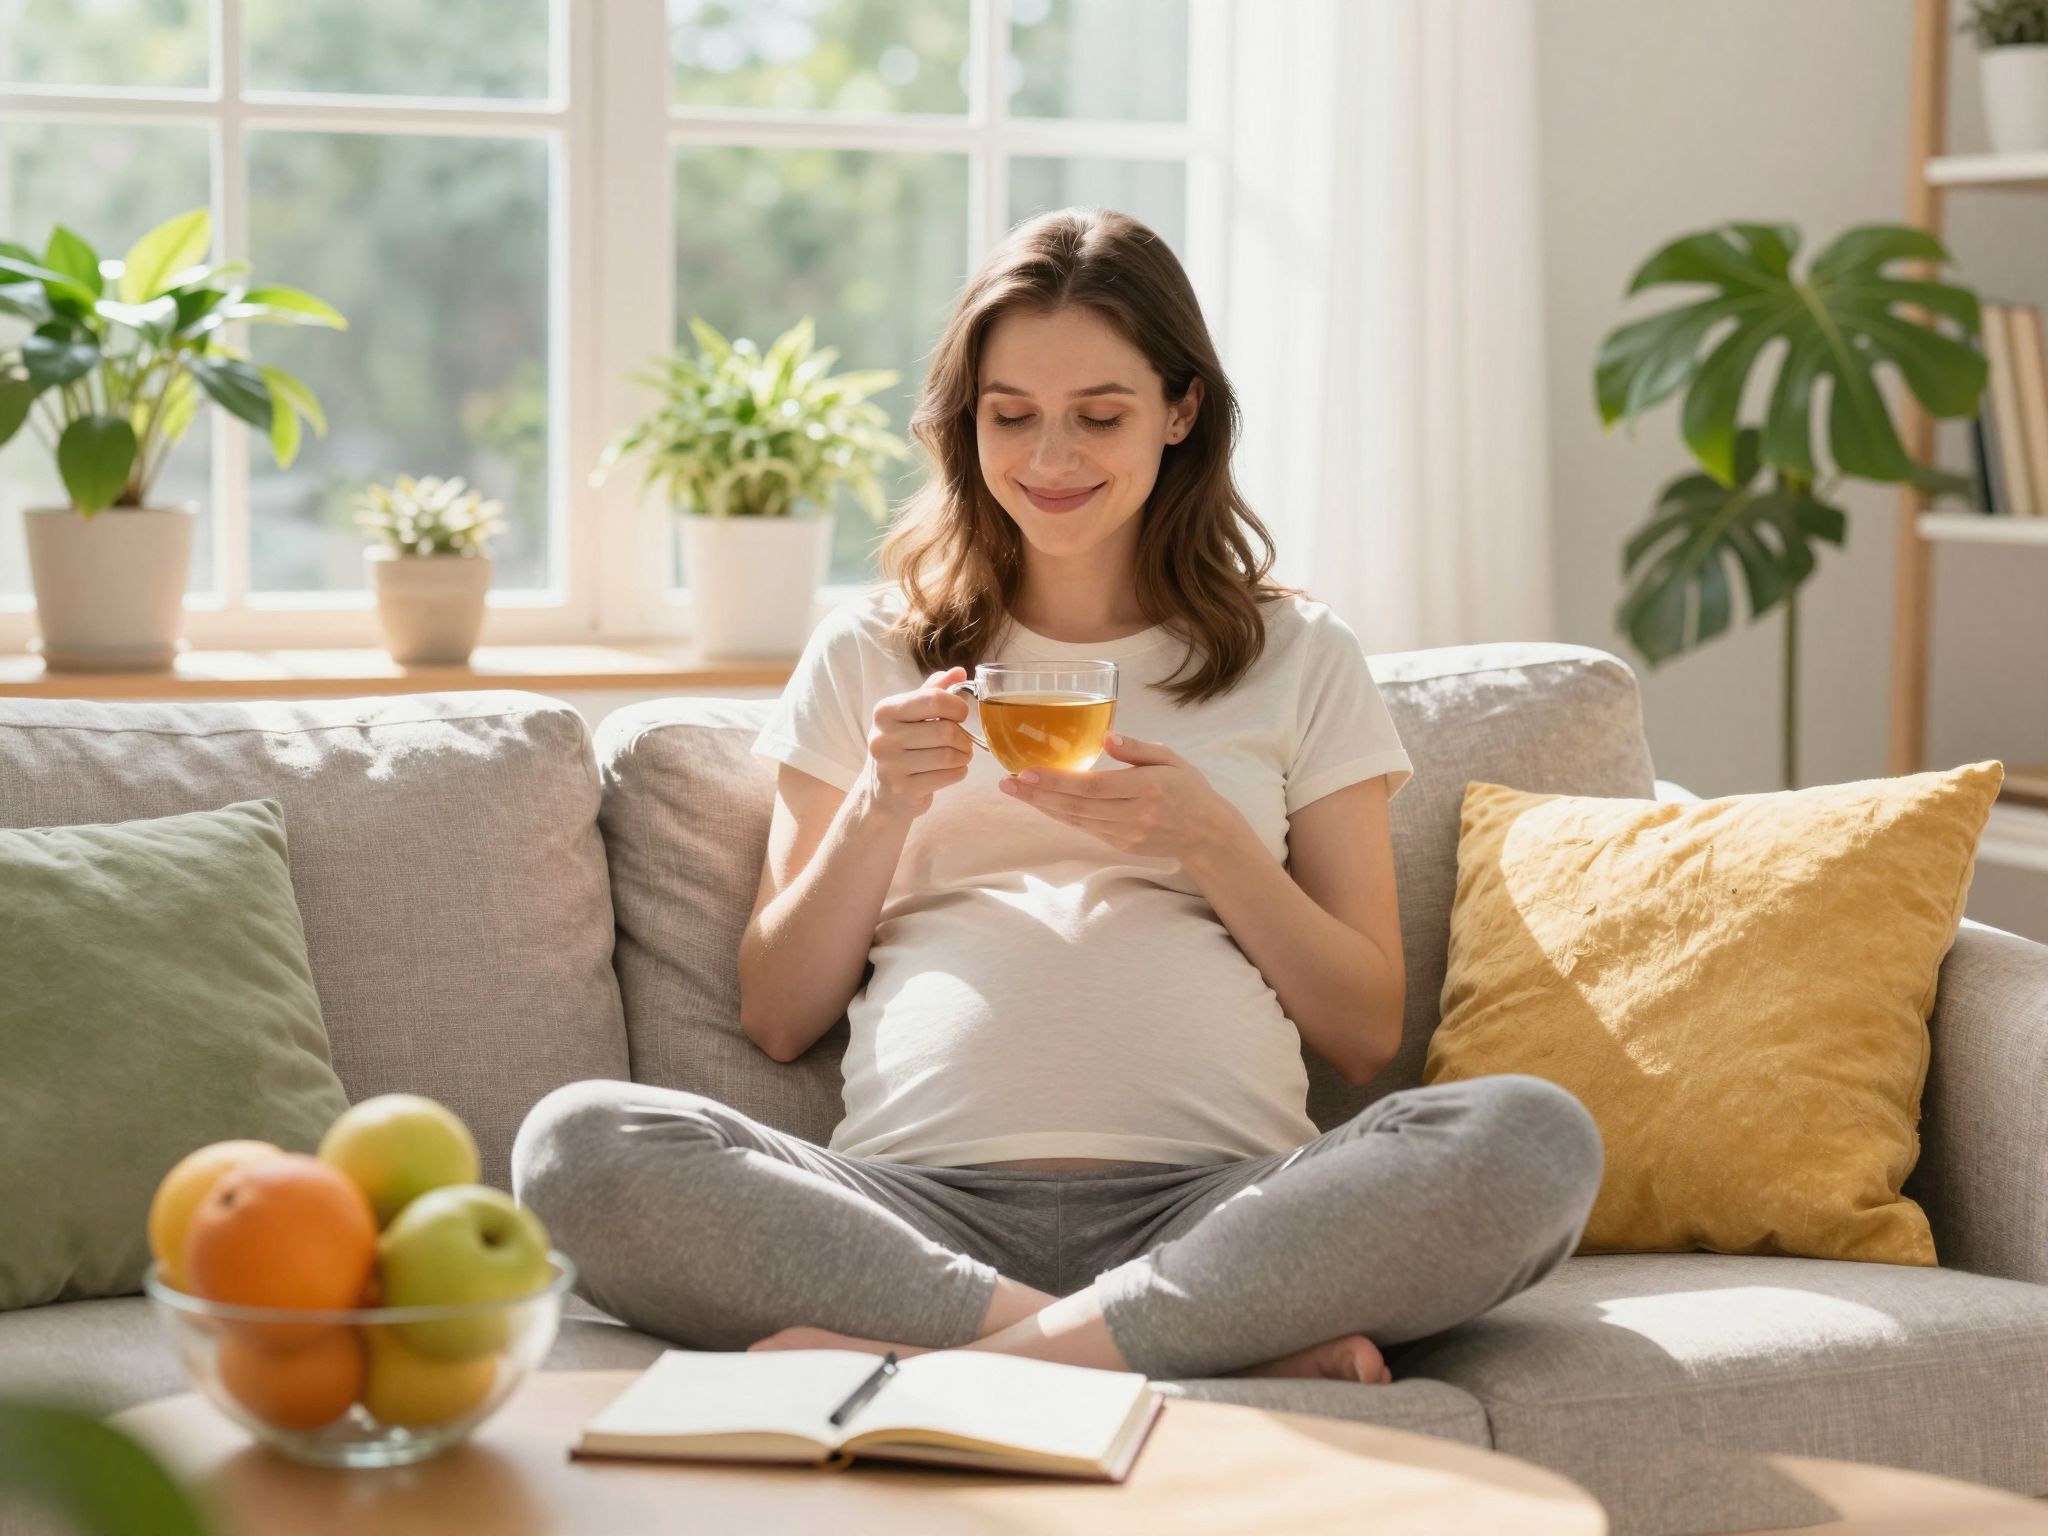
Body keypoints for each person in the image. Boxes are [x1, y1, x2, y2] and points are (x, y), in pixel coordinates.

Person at [515, 207, 1602, 1385]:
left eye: (1099, 415)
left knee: (1529, 1139)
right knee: (579, 1144)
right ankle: (1180, 1346)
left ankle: (978, 1360)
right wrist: (883, 805)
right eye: (1011, 416)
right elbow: (779, 1014)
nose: (1050, 459)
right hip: (915, 1215)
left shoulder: (1297, 654)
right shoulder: (871, 654)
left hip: (1226, 1211)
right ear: (963, 421)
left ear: (1181, 410)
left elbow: (1361, 1028)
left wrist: (1211, 841)